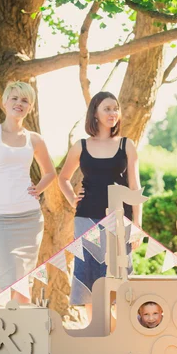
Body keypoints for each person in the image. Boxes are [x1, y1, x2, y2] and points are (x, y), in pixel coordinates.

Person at [59, 91, 142, 322]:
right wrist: (72, 198)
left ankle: (119, 332)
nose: (113, 113)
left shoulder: (127, 145)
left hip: (119, 219)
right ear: (94, 112)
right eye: (107, 108)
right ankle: (96, 331)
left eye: (115, 108)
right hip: (86, 218)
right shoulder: (81, 146)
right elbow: (63, 178)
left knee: (119, 275)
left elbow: (135, 187)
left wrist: (137, 225)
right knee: (89, 276)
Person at [0, 81, 56, 301]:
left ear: (30, 107)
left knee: (25, 283)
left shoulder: (35, 139)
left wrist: (37, 189)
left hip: (30, 220)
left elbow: (50, 173)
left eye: (25, 100)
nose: (19, 103)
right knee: (9, 281)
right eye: (14, 98)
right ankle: (5, 332)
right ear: (4, 102)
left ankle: (23, 334)